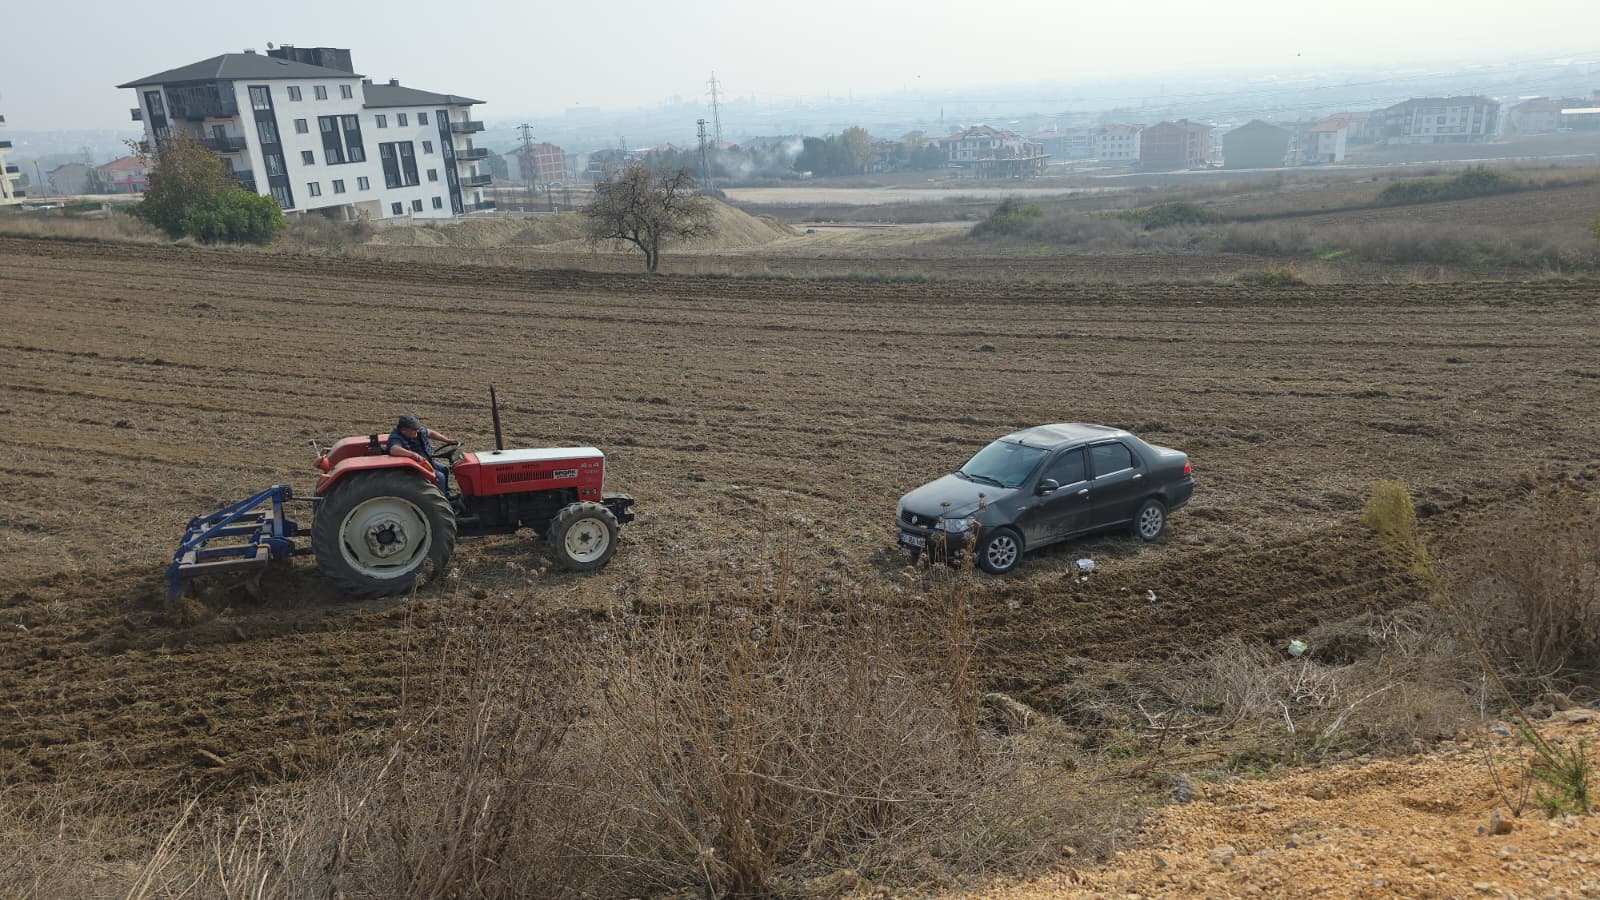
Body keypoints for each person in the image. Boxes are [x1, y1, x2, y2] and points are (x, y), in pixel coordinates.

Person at [388, 413, 457, 498]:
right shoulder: (396, 437)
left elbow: (430, 433)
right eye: (413, 429)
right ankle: (443, 499)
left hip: (427, 460)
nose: (417, 431)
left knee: (444, 469)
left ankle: (447, 494)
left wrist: (448, 440)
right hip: (417, 466)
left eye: (417, 428)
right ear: (403, 430)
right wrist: (412, 454)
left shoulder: (418, 431)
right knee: (440, 476)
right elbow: (394, 449)